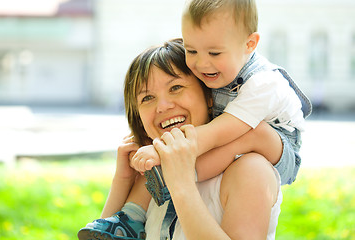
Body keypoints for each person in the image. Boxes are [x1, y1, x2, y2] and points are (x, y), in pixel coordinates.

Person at [78, 39, 282, 240]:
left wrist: (181, 184)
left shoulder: (249, 169)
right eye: (147, 98)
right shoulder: (150, 178)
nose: (163, 106)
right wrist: (122, 180)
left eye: (175, 87)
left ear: (210, 97)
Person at [132, 0, 311, 187]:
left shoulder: (263, 83)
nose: (201, 63)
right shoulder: (219, 70)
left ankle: (183, 176)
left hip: (282, 151)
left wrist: (163, 150)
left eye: (214, 53)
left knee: (254, 133)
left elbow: (217, 133)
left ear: (249, 44)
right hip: (234, 135)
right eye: (191, 50)